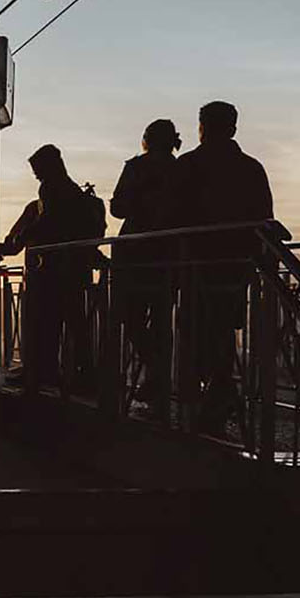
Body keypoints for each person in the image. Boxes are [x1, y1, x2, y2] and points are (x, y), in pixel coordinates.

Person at [169, 100, 276, 432]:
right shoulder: (251, 168)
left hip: (196, 263)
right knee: (220, 330)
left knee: (196, 330)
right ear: (233, 128)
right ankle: (219, 395)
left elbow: (172, 214)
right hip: (237, 265)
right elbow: (263, 215)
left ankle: (212, 396)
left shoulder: (188, 165)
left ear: (202, 126)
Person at [0, 144, 105, 390]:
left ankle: (45, 372)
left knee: (47, 323)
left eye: (37, 169)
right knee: (75, 322)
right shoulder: (73, 191)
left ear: (48, 166)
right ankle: (83, 373)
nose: (35, 174)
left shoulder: (50, 189)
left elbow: (49, 223)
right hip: (75, 267)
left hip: (54, 269)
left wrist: (24, 235)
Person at [110, 119, 181, 412]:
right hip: (170, 255)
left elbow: (117, 207)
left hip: (136, 255)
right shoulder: (181, 169)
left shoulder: (136, 168)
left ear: (147, 140)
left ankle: (155, 373)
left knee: (131, 315)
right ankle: (158, 379)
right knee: (162, 320)